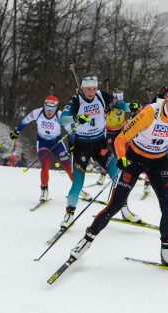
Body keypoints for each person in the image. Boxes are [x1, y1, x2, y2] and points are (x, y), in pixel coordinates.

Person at [68, 84, 168, 268]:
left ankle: (166, 252)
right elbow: (121, 138)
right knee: (116, 204)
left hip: (159, 161)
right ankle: (86, 240)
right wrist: (122, 158)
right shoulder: (150, 113)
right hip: (135, 159)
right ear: (167, 101)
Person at [58, 75, 137, 229]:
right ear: (82, 88)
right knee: (78, 183)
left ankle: (125, 210)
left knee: (119, 176)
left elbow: (120, 105)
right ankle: (68, 215)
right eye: (88, 89)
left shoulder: (101, 96)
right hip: (82, 147)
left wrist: (131, 106)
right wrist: (76, 118)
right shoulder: (75, 100)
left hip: (100, 145)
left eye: (93, 88)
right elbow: (62, 119)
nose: (91, 92)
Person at [10, 96, 74, 201]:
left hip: (57, 142)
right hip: (43, 142)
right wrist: (16, 132)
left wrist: (71, 145)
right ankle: (44, 191)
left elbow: (69, 131)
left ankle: (78, 188)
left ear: (56, 108)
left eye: (52, 109)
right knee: (45, 166)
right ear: (44, 106)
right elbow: (24, 121)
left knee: (68, 167)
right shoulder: (37, 113)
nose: (49, 111)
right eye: (47, 108)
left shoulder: (61, 116)